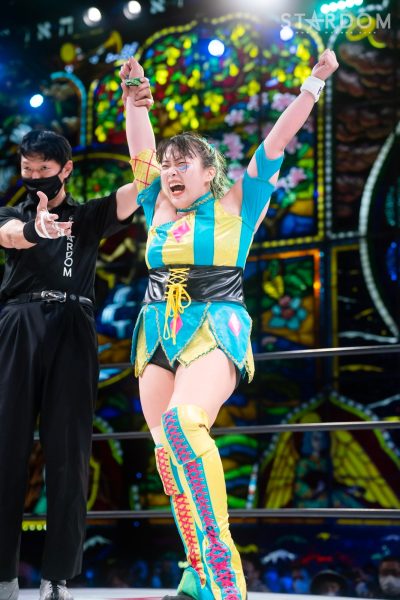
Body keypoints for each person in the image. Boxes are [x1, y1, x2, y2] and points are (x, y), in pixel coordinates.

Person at [121, 49, 339, 600]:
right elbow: (140, 150)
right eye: (167, 165)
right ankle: (195, 572)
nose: (170, 171)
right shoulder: (157, 206)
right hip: (157, 331)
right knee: (168, 457)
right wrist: (133, 98)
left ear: (210, 171)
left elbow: (277, 140)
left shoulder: (241, 202)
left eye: (182, 164)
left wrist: (313, 84)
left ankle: (225, 575)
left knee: (183, 426)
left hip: (215, 325)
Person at [0, 80, 153, 600]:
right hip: (17, 324)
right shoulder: (12, 215)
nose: (33, 177)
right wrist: (36, 231)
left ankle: (57, 577)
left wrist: (133, 108)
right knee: (6, 448)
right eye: (27, 169)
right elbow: (9, 236)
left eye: (43, 168)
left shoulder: (89, 216)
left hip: (73, 326)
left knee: (69, 452)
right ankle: (3, 576)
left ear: (65, 170)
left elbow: (145, 182)